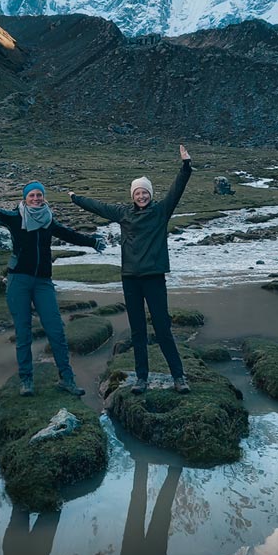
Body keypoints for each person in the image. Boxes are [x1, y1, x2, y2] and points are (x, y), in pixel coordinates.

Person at [0, 178, 105, 397]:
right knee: (23, 333)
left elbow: (69, 234)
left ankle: (67, 379)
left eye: (39, 195)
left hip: (43, 283)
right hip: (19, 281)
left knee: (56, 331)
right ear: (25, 198)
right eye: (31, 195)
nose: (36, 198)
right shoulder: (15, 218)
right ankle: (26, 380)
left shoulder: (49, 221)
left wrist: (92, 241)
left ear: (43, 197)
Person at [69, 145, 192, 394]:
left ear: (150, 194)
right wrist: (75, 199)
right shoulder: (124, 214)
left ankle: (179, 377)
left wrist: (186, 166)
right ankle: (142, 379)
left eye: (145, 192)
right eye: (137, 193)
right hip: (131, 279)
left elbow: (176, 190)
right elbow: (99, 207)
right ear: (132, 195)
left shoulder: (160, 211)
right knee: (137, 331)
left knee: (162, 329)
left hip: (154, 278)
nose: (141, 196)